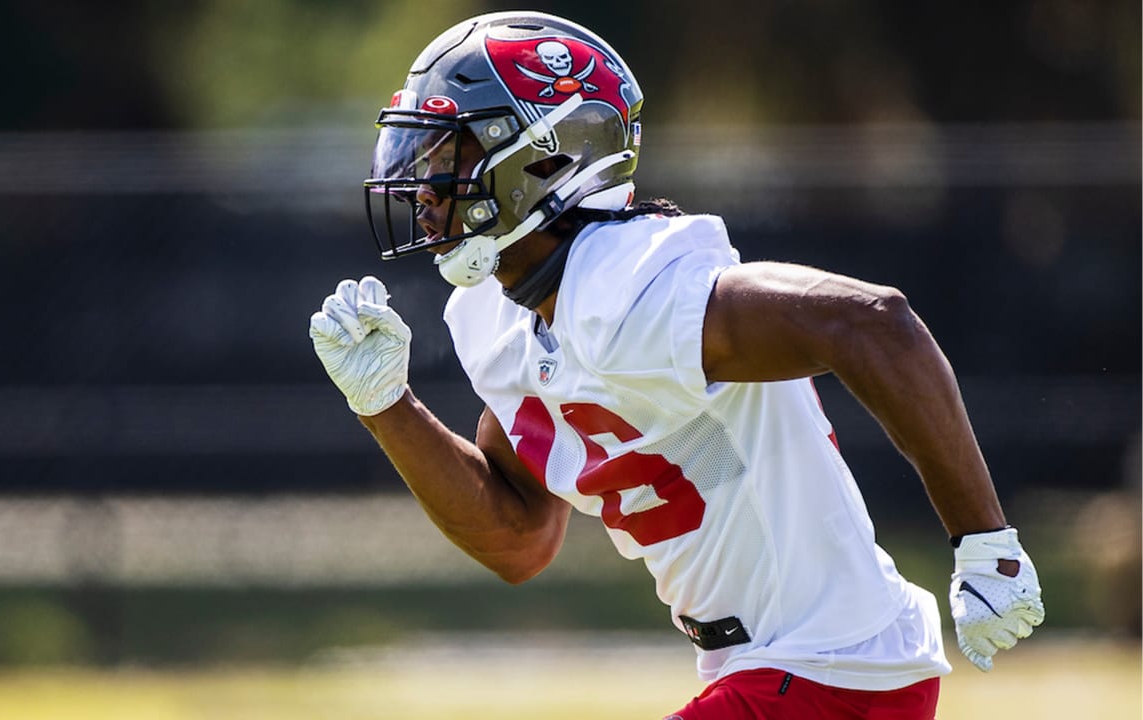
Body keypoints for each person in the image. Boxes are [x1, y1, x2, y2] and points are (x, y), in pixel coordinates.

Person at [309, 11, 1044, 719]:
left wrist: (986, 543)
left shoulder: (632, 286)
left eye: (451, 156)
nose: (426, 189)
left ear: (544, 154)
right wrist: (385, 404)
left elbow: (872, 321)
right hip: (778, 673)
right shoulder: (503, 318)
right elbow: (518, 535)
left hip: (831, 671)